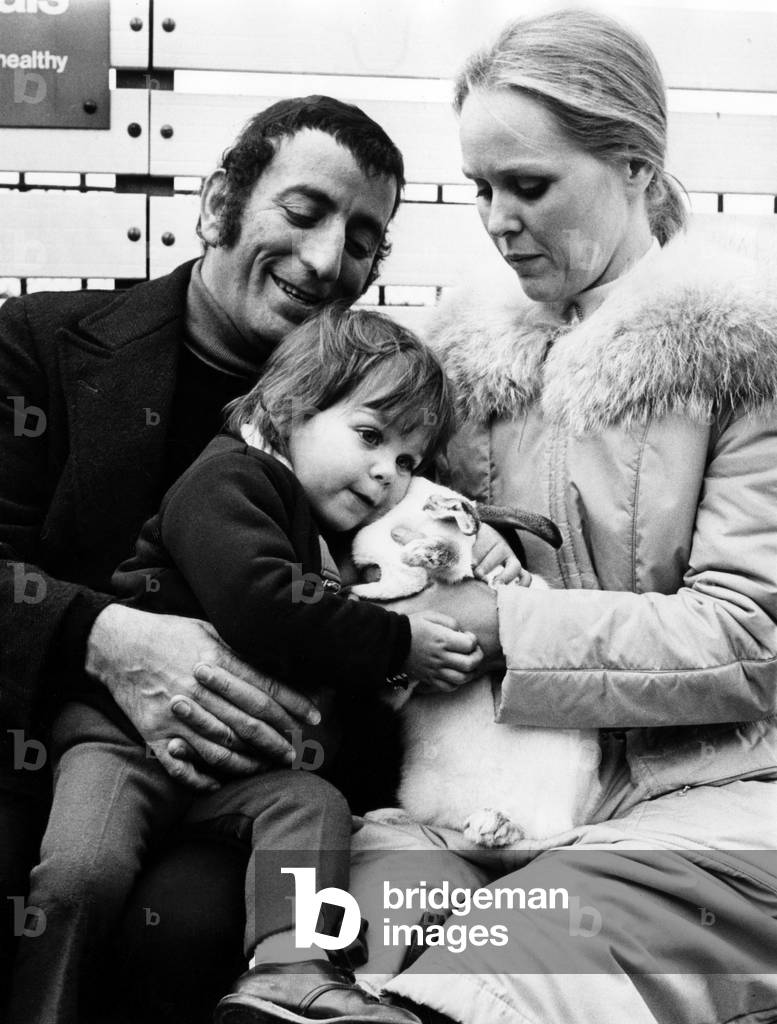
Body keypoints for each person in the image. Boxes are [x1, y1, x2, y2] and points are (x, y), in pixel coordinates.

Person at [343, 10, 777, 1024]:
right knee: (331, 914)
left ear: (635, 164)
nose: (497, 219)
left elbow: (752, 635)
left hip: (715, 796)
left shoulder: (744, 355)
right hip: (490, 788)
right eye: (479, 187)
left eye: (528, 186)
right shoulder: (457, 363)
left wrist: (501, 625)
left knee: (517, 951)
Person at [0, 95, 407, 1020]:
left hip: (257, 792)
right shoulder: (37, 344)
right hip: (43, 756)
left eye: (361, 240)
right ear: (221, 201)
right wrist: (106, 636)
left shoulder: (364, 426)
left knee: (187, 923)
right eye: (302, 215)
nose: (324, 260)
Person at [9, 304, 487, 1024]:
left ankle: (292, 969)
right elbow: (260, 604)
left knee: (310, 805)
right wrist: (398, 641)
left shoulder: (321, 528)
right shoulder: (229, 480)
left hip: (230, 771)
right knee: (82, 872)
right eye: (368, 436)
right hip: (125, 744)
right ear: (291, 408)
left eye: (407, 461)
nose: (386, 472)